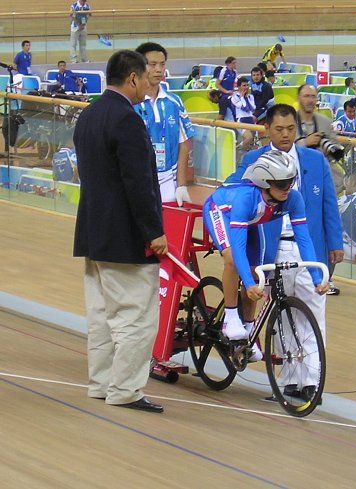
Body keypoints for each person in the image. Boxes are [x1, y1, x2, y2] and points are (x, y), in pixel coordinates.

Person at [226, 104, 343, 399]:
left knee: (312, 312)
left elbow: (329, 202)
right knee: (280, 313)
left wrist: (335, 243)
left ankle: (312, 381)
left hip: (307, 244)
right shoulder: (253, 160)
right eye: (278, 130)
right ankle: (291, 378)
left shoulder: (315, 161)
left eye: (290, 129)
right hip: (270, 246)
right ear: (267, 130)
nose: (285, 135)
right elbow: (234, 190)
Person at [73, 50, 167, 413]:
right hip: (124, 238)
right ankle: (125, 390)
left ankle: (101, 383)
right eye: (145, 77)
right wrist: (153, 231)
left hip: (93, 234)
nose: (148, 83)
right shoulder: (127, 120)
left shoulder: (90, 114)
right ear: (131, 78)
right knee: (136, 318)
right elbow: (138, 184)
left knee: (101, 316)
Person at [204, 150, 326, 351]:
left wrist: (315, 278)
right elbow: (239, 248)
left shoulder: (294, 199)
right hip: (221, 211)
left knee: (255, 272)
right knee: (232, 259)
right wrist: (249, 284)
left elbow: (304, 239)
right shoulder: (246, 199)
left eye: (291, 181)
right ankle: (231, 318)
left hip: (251, 219)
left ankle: (249, 334)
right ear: (264, 182)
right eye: (281, 184)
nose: (287, 188)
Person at [134, 42, 195, 205]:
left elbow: (185, 142)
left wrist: (181, 184)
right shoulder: (129, 104)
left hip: (169, 182)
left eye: (162, 64)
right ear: (139, 67)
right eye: (152, 65)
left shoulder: (174, 102)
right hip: (139, 182)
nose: (159, 69)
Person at [294, 84, 341, 160]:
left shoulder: (325, 122)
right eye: (306, 96)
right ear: (298, 98)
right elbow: (283, 150)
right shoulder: (289, 122)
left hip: (320, 167)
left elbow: (335, 149)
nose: (310, 100)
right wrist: (305, 143)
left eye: (313, 96)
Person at [230, 76, 256, 150]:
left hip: (251, 120)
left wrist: (245, 97)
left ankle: (241, 147)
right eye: (244, 85)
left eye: (247, 85)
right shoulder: (234, 97)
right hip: (241, 120)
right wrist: (241, 97)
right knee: (248, 137)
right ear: (238, 87)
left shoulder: (250, 96)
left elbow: (253, 108)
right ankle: (243, 155)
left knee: (253, 142)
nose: (246, 87)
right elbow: (245, 108)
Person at [215, 56, 237, 120]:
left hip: (231, 96)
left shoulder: (235, 72)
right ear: (228, 64)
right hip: (223, 96)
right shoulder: (223, 71)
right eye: (233, 63)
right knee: (222, 115)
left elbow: (233, 84)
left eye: (235, 63)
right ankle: (214, 126)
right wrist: (226, 92)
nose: (235, 64)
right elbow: (217, 84)